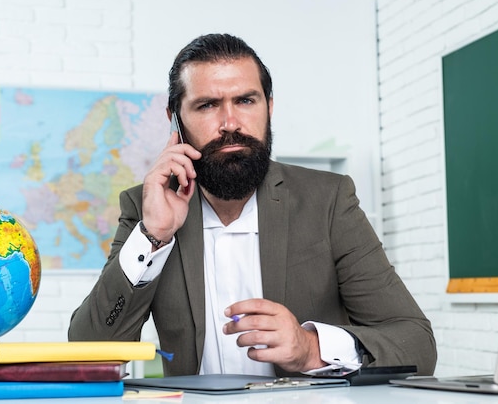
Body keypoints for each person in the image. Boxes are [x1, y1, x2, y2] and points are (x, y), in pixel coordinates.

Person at [68, 33, 437, 377]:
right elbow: (89, 354)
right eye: (208, 105)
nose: (231, 123)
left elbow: (417, 344)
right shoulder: (145, 206)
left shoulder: (328, 200)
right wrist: (153, 236)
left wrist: (311, 348)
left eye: (245, 101)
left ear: (269, 106)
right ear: (174, 119)